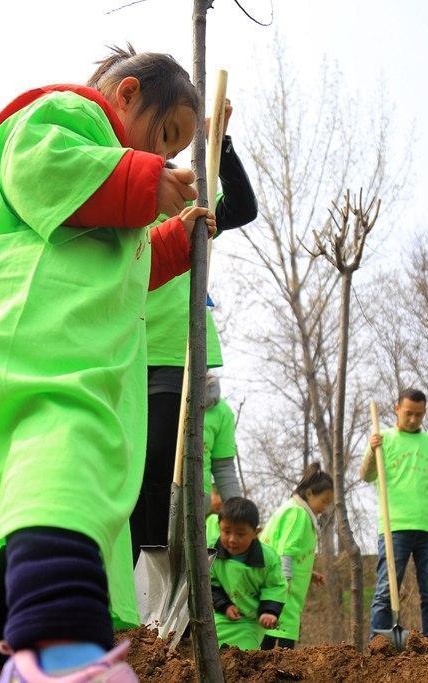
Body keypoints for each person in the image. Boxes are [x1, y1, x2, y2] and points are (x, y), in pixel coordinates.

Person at [0, 45, 213, 682]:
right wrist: (145, 181)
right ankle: (64, 648)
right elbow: (45, 169)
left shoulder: (104, 179)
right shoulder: (68, 114)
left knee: (19, 523)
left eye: (176, 151)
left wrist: (176, 237)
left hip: (26, 342)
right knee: (63, 470)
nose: (167, 156)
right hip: (35, 350)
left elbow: (121, 260)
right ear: (124, 95)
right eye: (164, 136)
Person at [131, 94, 257, 560]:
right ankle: (123, 572)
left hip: (172, 354)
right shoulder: (117, 202)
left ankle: (153, 560)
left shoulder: (189, 204)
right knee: (124, 466)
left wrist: (220, 147)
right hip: (121, 348)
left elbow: (242, 207)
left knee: (161, 460)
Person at [360, 388, 428, 644]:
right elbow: (365, 475)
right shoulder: (383, 439)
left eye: (419, 415)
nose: (413, 419)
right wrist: (370, 448)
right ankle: (379, 644)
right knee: (386, 591)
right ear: (397, 409)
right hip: (393, 527)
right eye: (408, 413)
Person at [259, 464, 334, 650]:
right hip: (283, 589)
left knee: (271, 630)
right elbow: (286, 552)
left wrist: (309, 572)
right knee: (280, 631)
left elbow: (294, 554)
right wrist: (284, 583)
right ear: (309, 493)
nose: (325, 508)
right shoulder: (298, 513)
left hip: (282, 587)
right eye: (324, 501)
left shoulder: (299, 512)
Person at [211, 496, 288, 651]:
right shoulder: (211, 553)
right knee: (212, 650)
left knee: (244, 654)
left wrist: (268, 611)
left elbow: (275, 587)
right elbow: (210, 585)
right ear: (219, 527)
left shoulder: (268, 558)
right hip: (220, 617)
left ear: (255, 533)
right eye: (226, 531)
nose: (232, 539)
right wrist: (225, 606)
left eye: (240, 534)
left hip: (251, 620)